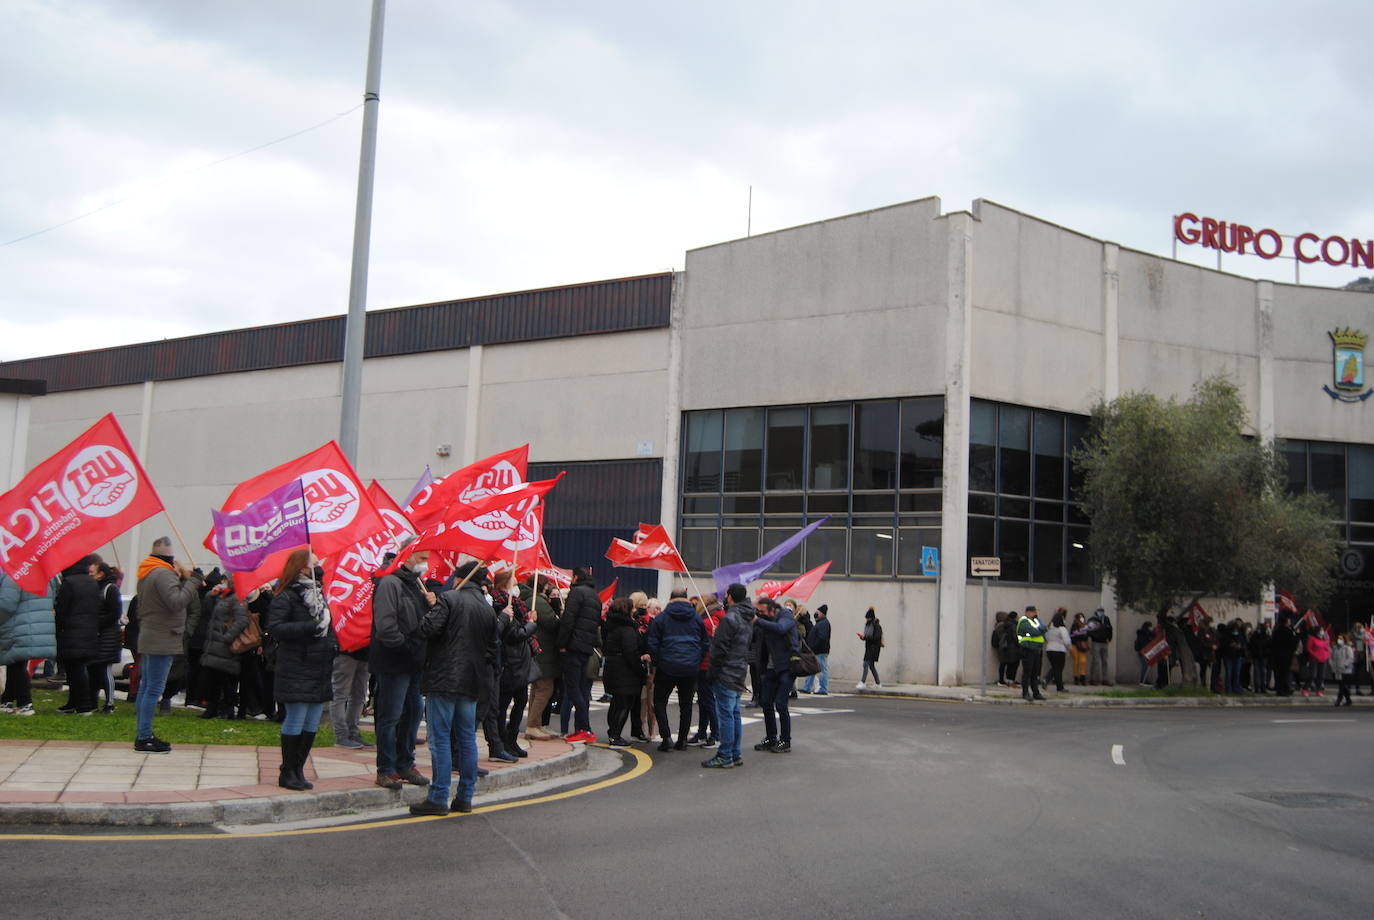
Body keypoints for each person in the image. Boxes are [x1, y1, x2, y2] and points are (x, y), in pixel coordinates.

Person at [408, 561, 494, 816]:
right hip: (471, 681)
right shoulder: (487, 608)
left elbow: (427, 629)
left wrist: (431, 607)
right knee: (467, 738)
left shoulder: (450, 599)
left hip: (444, 677)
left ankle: (439, 796)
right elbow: (491, 649)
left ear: (459, 579)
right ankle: (465, 796)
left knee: (440, 739)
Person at [267, 549, 338, 791]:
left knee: (311, 723)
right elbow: (275, 628)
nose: (320, 567)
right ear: (301, 568)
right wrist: (310, 626)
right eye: (315, 563)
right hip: (296, 666)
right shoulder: (286, 595)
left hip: (319, 666)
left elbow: (328, 626)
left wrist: (332, 642)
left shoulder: (318, 594)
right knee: (296, 719)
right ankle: (287, 771)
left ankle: (298, 768)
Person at [369, 544, 432, 789]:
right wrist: (407, 647)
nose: (426, 562)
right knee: (390, 716)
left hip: (414, 662)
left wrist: (431, 604)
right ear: (408, 556)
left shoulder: (416, 585)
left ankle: (406, 763)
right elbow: (386, 627)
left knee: (413, 713)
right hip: (395, 661)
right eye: (423, 556)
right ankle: (385, 768)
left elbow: (423, 623)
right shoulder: (390, 584)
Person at [133, 537, 203, 753]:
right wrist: (193, 581)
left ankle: (143, 734)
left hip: (152, 635)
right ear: (168, 557)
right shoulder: (162, 574)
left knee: (146, 688)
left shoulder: (147, 572)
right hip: (162, 638)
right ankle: (144, 736)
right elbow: (176, 601)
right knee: (153, 689)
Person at [647, 587, 708, 751]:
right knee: (686, 705)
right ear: (686, 599)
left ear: (670, 598)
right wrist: (696, 659)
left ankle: (666, 737)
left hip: (667, 665)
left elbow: (653, 642)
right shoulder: (696, 618)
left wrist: (658, 660)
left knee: (659, 701)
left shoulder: (662, 618)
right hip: (690, 667)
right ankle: (682, 740)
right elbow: (705, 643)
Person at [702, 584, 754, 769]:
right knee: (733, 713)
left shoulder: (730, 618)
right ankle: (735, 753)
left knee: (725, 714)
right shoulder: (747, 617)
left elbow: (720, 649)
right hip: (739, 670)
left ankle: (725, 755)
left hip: (726, 672)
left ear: (730, 597)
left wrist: (712, 672)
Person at [492, 570, 536, 758]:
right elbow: (512, 635)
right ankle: (502, 741)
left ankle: (512, 739)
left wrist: (528, 620)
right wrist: (531, 624)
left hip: (520, 663)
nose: (517, 587)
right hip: (509, 663)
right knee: (503, 705)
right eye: (514, 583)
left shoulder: (518, 607)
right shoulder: (502, 606)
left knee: (520, 702)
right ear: (504, 585)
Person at [0, 571, 57, 717]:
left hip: (20, 626)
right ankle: (7, 700)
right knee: (15, 663)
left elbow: (6, 604)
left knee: (18, 665)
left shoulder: (15, 574)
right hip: (37, 625)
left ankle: (25, 703)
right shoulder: (43, 573)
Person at [557, 567, 602, 743]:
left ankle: (585, 728)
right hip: (586, 647)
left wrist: (562, 644)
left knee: (573, 689)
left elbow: (569, 620)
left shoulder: (576, 593)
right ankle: (582, 729)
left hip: (573, 646)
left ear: (575, 578)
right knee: (582, 690)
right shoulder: (595, 597)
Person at [55, 557, 103, 714]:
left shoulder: (69, 582)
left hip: (71, 631)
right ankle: (74, 703)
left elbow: (62, 608)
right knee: (78, 667)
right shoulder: (91, 582)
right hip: (88, 631)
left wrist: (58, 623)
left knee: (75, 669)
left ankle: (83, 704)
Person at [752, 596, 799, 753]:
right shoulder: (764, 621)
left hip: (787, 667)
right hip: (771, 668)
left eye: (762, 611)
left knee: (780, 704)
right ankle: (771, 737)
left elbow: (780, 629)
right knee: (766, 702)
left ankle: (785, 741)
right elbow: (753, 633)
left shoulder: (785, 616)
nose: (760, 614)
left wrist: (757, 620)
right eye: (758, 611)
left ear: (772, 609)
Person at [198, 579, 249, 719]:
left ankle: (228, 710)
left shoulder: (238, 598)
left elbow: (242, 621)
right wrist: (211, 595)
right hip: (214, 646)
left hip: (224, 646)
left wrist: (226, 638)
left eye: (226, 580)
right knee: (212, 679)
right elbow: (209, 611)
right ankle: (212, 708)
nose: (223, 582)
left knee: (227, 681)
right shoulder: (223, 597)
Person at [520, 576, 560, 741]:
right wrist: (559, 614)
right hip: (544, 650)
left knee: (537, 689)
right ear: (544, 587)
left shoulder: (529, 599)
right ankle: (532, 725)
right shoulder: (538, 601)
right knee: (545, 688)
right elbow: (552, 623)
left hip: (537, 649)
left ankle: (535, 724)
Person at [601, 598, 644, 746]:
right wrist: (640, 670)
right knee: (624, 704)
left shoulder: (610, 625)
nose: (635, 611)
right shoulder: (627, 629)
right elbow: (630, 652)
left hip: (612, 667)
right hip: (624, 670)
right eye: (632, 608)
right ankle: (615, 734)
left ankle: (612, 731)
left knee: (616, 702)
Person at [89, 561, 124, 713]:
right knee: (94, 670)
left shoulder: (110, 589)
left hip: (108, 636)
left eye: (92, 572)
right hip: (98, 635)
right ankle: (92, 701)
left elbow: (115, 613)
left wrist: (98, 625)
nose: (89, 574)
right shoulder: (95, 588)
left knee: (105, 670)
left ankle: (109, 703)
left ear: (100, 574)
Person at [689, 595, 722, 746]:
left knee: (707, 700)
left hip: (705, 664)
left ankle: (714, 733)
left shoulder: (708, 621)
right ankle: (703, 732)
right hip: (710, 664)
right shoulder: (717, 617)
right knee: (704, 700)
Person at [1017, 606, 1047, 701]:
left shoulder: (1036, 620)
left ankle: (1036, 692)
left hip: (1037, 650)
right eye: (1034, 612)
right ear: (1029, 612)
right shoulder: (1024, 621)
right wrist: (1040, 631)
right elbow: (1033, 632)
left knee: (1035, 673)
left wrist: (1040, 630)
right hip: (1027, 649)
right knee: (1027, 672)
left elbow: (1044, 628)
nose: (1035, 614)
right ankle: (1025, 692)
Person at [802, 603, 831, 695]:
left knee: (822, 670)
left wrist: (814, 647)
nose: (816, 613)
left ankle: (823, 689)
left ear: (822, 613)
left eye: (818, 612)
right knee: (811, 669)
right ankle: (807, 687)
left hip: (820, 651)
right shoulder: (821, 623)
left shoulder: (823, 624)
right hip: (817, 651)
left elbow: (822, 638)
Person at [1270, 615, 1298, 697]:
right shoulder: (1289, 632)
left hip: (1277, 655)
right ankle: (1285, 689)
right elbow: (1293, 643)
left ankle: (1279, 689)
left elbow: (1272, 643)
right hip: (1286, 655)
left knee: (1278, 673)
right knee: (1285, 673)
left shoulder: (1276, 631)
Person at [1044, 609, 1070, 692]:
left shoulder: (1049, 629)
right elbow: (1067, 641)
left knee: (1055, 667)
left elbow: (1046, 637)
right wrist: (1069, 648)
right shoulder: (1062, 629)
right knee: (1058, 668)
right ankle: (1059, 687)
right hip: (1059, 650)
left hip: (1049, 649)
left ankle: (1046, 680)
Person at [856, 607, 883, 690]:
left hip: (874, 648)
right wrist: (863, 637)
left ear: (871, 618)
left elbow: (876, 637)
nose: (867, 620)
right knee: (871, 666)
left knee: (865, 664)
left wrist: (866, 637)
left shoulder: (877, 626)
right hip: (869, 648)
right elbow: (868, 637)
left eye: (868, 618)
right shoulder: (868, 625)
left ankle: (862, 682)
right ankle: (878, 683)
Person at [1086, 607, 1113, 686]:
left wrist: (1109, 638)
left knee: (1105, 661)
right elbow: (1089, 630)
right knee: (1096, 661)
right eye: (1100, 611)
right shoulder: (1092, 619)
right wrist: (1095, 636)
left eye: (1102, 611)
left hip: (1105, 642)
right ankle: (1093, 679)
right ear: (1096, 611)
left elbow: (1110, 629)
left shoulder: (1106, 619)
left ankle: (1105, 679)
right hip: (1096, 642)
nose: (1101, 612)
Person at [1303, 626, 1330, 698]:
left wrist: (1326, 656)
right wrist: (1315, 655)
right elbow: (1309, 648)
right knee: (1312, 675)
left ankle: (1318, 690)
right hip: (1314, 659)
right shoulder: (1312, 638)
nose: (1322, 632)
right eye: (1321, 630)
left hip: (1323, 659)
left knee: (1321, 676)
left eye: (1322, 630)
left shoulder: (1324, 639)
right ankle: (1305, 688)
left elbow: (1327, 649)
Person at [1330, 633, 1355, 707]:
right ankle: (1348, 700)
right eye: (1338, 638)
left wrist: (1345, 665)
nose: (1339, 640)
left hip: (1345, 670)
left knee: (1342, 686)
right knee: (1342, 686)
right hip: (1337, 670)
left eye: (1341, 639)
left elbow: (1350, 658)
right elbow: (1332, 658)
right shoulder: (1335, 648)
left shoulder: (1347, 648)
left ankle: (1338, 700)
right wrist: (1332, 665)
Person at [1248, 620, 1271, 693]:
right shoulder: (1261, 636)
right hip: (1259, 656)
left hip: (1261, 655)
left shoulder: (1259, 636)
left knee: (1260, 671)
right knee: (1260, 671)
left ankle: (1260, 687)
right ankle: (1260, 687)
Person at [1069, 613, 1090, 686]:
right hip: (1075, 644)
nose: (1082, 619)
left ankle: (1083, 676)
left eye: (1083, 617)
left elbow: (1086, 635)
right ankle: (1076, 677)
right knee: (1076, 661)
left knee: (1083, 661)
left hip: (1082, 646)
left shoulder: (1085, 625)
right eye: (1080, 617)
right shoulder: (1074, 625)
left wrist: (1084, 642)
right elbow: (1073, 635)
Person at [1134, 619, 1156, 686]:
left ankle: (1145, 680)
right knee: (1145, 666)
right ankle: (1143, 680)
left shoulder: (1148, 633)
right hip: (1143, 652)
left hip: (1146, 652)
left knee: (1146, 666)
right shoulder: (1142, 634)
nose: (1151, 628)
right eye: (1150, 626)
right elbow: (1144, 643)